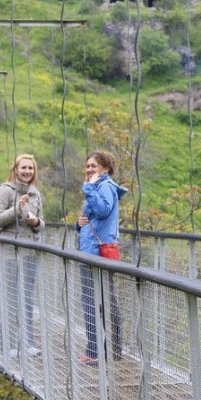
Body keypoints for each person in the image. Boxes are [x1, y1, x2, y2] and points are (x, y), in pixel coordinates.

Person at [0, 154, 45, 358]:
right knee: (11, 298)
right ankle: (9, 343)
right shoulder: (5, 191)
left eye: (31, 168)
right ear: (15, 169)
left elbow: (42, 223)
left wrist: (36, 223)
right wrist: (17, 209)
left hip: (30, 251)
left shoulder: (35, 193)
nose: (27, 172)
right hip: (10, 252)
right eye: (24, 168)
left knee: (27, 298)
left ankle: (28, 342)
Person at [75, 151, 127, 365]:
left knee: (93, 302)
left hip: (96, 253)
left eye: (93, 166)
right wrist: (77, 225)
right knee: (105, 301)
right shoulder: (99, 188)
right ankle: (112, 350)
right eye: (87, 166)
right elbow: (93, 219)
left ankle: (96, 351)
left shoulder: (104, 187)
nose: (89, 169)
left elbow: (104, 211)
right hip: (92, 250)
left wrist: (88, 188)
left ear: (105, 168)